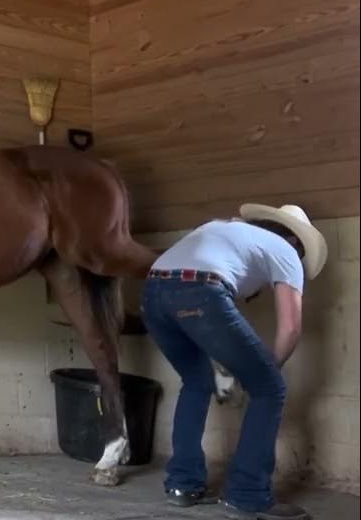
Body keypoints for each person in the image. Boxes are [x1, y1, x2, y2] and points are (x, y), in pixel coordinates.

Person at [140, 204, 327, 520]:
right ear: (297, 241)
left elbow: (208, 322)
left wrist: (233, 373)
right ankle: (248, 495)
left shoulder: (224, 229)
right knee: (271, 389)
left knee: (197, 382)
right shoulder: (287, 252)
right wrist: (266, 374)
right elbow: (291, 328)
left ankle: (182, 485)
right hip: (198, 290)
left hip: (152, 291)